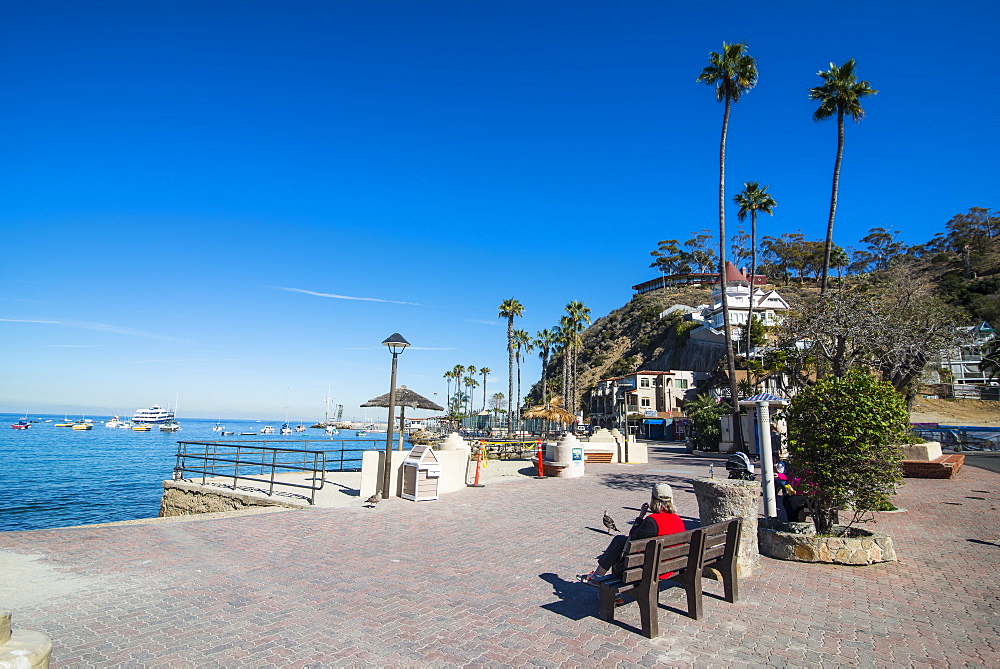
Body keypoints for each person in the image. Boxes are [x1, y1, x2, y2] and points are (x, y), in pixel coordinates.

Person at [577, 483, 686, 595]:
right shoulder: (678, 520)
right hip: (671, 566)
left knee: (619, 545)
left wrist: (640, 517)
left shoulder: (652, 521)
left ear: (653, 500)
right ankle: (600, 578)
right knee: (620, 543)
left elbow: (632, 538)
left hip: (651, 570)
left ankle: (601, 579)